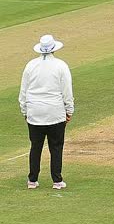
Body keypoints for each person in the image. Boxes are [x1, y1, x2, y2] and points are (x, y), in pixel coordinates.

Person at [19, 35, 74, 190]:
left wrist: (25, 111)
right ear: (54, 49)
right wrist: (69, 110)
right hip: (55, 112)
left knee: (35, 146)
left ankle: (32, 180)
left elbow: (23, 92)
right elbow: (67, 91)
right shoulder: (61, 65)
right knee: (56, 147)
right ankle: (57, 181)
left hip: (35, 113)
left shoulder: (30, 65)